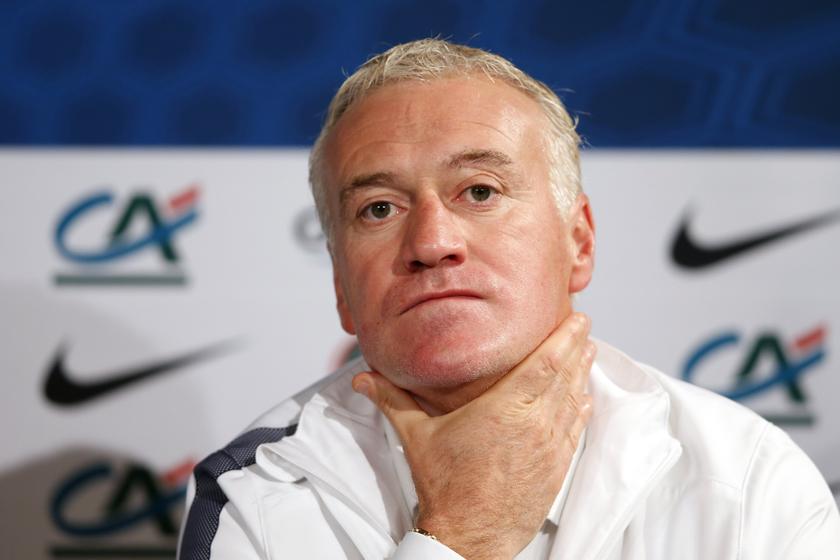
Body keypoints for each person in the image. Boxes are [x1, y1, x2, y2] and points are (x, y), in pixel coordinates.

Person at [177, 39, 840, 559]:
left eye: (481, 191)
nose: (432, 242)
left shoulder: (747, 475)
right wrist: (461, 536)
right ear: (340, 287)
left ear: (578, 241)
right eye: (379, 207)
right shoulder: (255, 489)